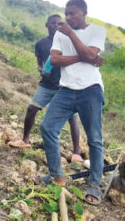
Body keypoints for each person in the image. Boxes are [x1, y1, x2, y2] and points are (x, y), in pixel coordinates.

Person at [38, 0, 106, 205]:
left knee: (94, 139)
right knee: (47, 127)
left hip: (91, 90)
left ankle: (94, 184)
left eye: (72, 13)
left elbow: (91, 53)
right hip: (66, 90)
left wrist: (72, 36)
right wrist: (84, 57)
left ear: (84, 12)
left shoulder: (97, 30)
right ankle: (57, 176)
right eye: (66, 14)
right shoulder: (59, 33)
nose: (67, 18)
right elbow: (56, 60)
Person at [9, 14, 83, 163]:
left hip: (64, 86)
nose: (55, 26)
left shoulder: (66, 43)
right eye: (52, 23)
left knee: (72, 117)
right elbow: (40, 63)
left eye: (58, 23)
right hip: (47, 84)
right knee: (31, 109)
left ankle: (76, 152)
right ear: (47, 25)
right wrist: (41, 69)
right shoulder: (41, 44)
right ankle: (25, 140)